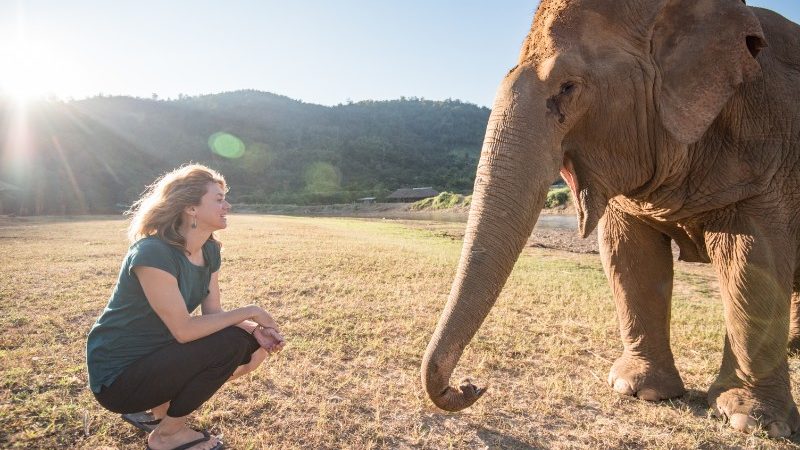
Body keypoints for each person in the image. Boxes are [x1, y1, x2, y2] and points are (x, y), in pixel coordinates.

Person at [86, 164, 284, 450]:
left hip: (156, 358)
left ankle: (158, 408)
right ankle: (167, 434)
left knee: (250, 345)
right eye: (218, 199)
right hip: (118, 376)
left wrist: (256, 330)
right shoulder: (153, 252)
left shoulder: (209, 250)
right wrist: (251, 311)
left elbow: (213, 314)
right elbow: (183, 330)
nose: (227, 205)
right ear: (191, 208)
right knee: (231, 343)